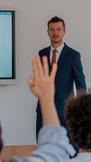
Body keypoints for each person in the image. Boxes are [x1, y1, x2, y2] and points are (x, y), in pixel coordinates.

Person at [36, 16, 86, 151]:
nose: (55, 33)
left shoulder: (73, 55)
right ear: (47, 32)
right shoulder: (41, 54)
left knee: (70, 149)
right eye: (52, 29)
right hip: (43, 109)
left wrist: (81, 109)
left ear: (64, 31)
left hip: (65, 111)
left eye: (59, 29)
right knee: (44, 147)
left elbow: (81, 84)